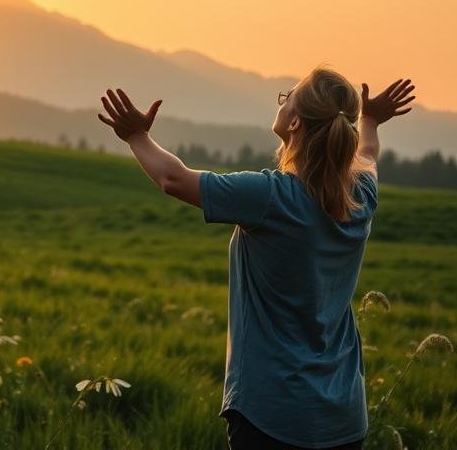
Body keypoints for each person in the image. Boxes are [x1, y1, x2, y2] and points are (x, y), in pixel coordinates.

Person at [97, 67, 416, 450]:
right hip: (343, 418)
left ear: (295, 121)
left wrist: (135, 135)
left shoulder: (270, 197)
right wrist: (371, 120)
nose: (282, 101)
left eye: (288, 96)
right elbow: (367, 153)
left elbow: (174, 179)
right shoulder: (361, 194)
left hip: (273, 415)